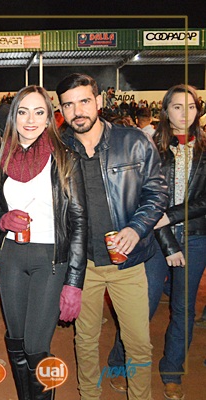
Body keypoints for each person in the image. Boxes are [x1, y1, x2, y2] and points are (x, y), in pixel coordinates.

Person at [56, 73, 168, 400]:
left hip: (128, 264)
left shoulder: (133, 141)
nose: (77, 111)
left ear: (99, 101)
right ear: (61, 109)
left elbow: (157, 192)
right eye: (68, 105)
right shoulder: (59, 148)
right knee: (85, 340)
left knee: (138, 344)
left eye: (84, 101)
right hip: (83, 266)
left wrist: (136, 228)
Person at [108, 84, 206, 400]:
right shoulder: (151, 149)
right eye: (177, 107)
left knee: (183, 309)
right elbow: (146, 201)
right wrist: (169, 243)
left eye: (190, 107)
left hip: (195, 238)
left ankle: (173, 372)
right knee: (140, 308)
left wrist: (171, 218)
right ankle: (119, 363)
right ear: (165, 111)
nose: (184, 113)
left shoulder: (205, 150)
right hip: (154, 240)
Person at [0, 86, 87, 399]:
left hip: (50, 260)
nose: (30, 119)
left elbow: (79, 221)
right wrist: (2, 220)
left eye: (39, 112)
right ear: (14, 117)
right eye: (23, 112)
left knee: (36, 347)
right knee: (16, 341)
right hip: (11, 256)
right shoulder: (2, 157)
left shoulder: (65, 158)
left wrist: (74, 282)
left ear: (49, 117)